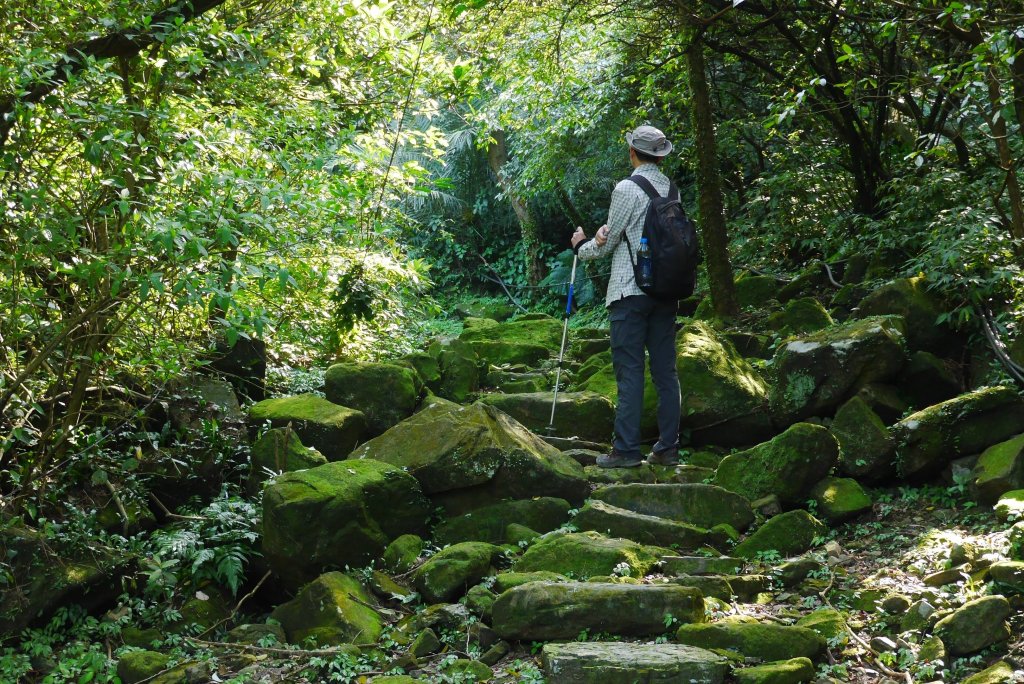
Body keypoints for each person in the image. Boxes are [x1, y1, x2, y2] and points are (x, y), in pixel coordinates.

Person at [570, 124, 681, 468]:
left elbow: (608, 244)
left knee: (630, 371)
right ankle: (667, 448)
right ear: (660, 156)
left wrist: (580, 247)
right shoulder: (672, 189)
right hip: (665, 291)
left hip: (629, 292)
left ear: (632, 152)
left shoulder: (627, 188)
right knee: (666, 372)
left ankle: (627, 451)